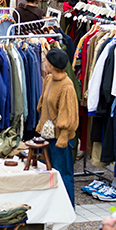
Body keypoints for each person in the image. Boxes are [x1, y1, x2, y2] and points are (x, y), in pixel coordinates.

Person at [37, 48, 79, 206]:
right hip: (48, 135)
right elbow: (44, 106)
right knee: (50, 172)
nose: (44, 62)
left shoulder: (67, 87)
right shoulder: (49, 79)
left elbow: (68, 117)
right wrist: (40, 127)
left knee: (63, 173)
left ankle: (67, 207)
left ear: (53, 65)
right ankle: (54, 206)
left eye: (47, 61)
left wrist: (62, 139)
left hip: (61, 138)